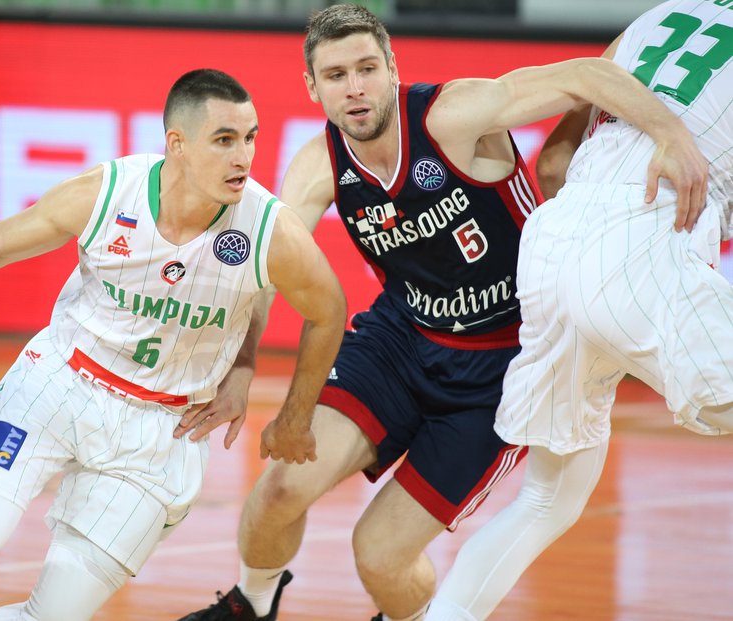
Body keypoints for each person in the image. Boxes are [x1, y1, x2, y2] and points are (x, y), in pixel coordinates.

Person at [173, 5, 711, 621]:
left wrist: (673, 136)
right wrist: (241, 366)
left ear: (392, 67)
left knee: (378, 556)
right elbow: (267, 270)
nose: (355, 89)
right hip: (402, 338)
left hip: (501, 364)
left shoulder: (451, 115)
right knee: (279, 491)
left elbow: (590, 73)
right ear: (312, 87)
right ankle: (251, 606)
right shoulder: (318, 164)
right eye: (336, 75)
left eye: (367, 69)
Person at [0, 68, 347, 621]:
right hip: (63, 380)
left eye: (251, 137)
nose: (244, 157)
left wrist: (277, 397)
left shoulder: (268, 229)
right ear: (177, 145)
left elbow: (328, 312)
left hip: (165, 430)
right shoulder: (110, 193)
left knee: (55, 616)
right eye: (225, 139)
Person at [424, 1, 728, 619]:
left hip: (555, 237)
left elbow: (553, 163)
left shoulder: (657, 16)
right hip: (645, 229)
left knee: (547, 498)